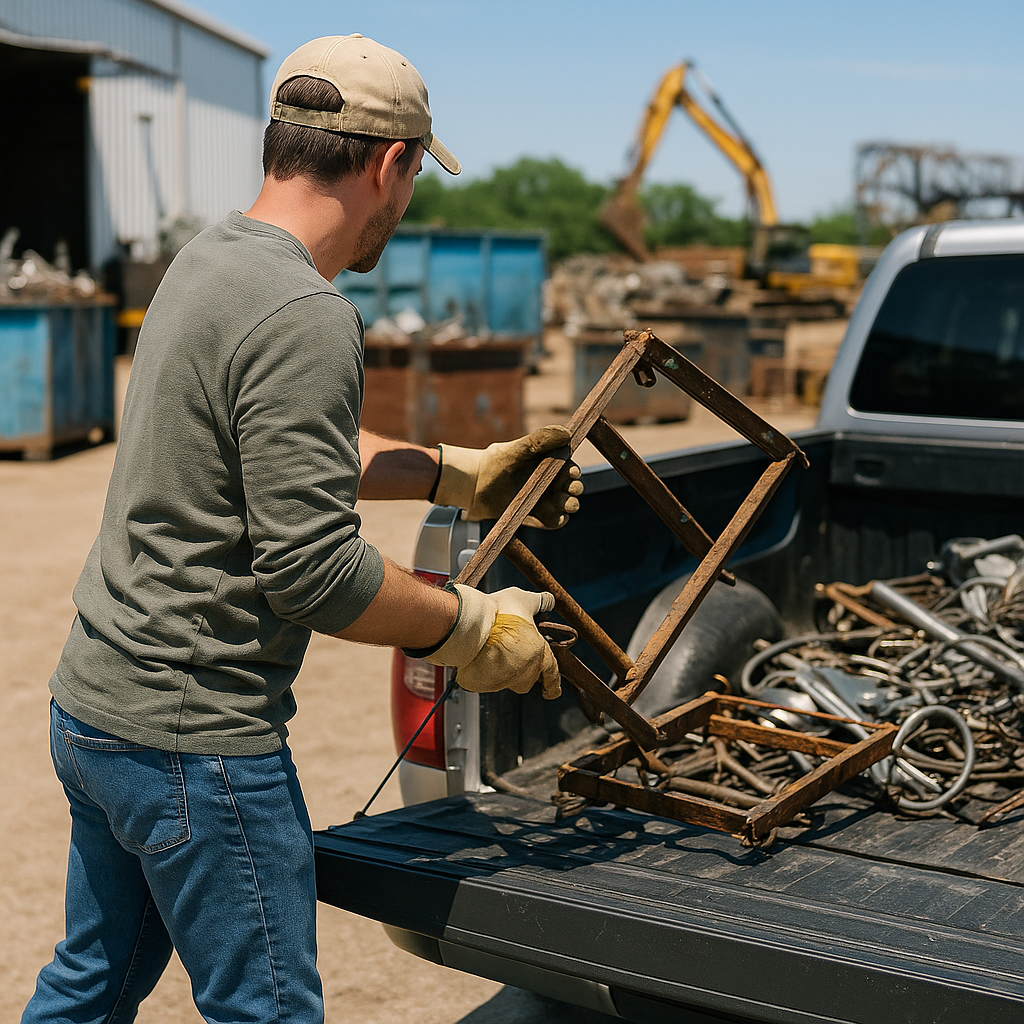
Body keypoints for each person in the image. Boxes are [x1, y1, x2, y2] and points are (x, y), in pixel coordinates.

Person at [23, 34, 582, 1024]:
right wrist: (473, 628)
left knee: (90, 983)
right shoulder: (306, 312)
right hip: (197, 745)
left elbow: (279, 451)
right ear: (390, 163)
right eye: (411, 175)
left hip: (99, 707)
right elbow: (314, 574)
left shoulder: (211, 257)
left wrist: (456, 473)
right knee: (268, 1011)